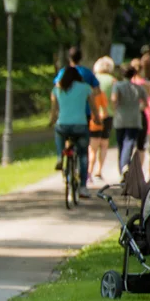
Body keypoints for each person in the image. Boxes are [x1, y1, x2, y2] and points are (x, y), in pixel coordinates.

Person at [52, 65, 94, 196]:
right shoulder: (86, 88)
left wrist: (52, 119)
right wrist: (97, 119)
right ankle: (82, 187)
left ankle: (60, 156)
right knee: (83, 154)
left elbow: (53, 110)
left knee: (58, 132)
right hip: (80, 125)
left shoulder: (57, 89)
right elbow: (93, 108)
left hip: (63, 125)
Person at [110, 64, 148, 183]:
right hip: (134, 119)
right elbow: (145, 103)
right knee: (129, 142)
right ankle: (125, 166)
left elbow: (114, 99)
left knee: (121, 145)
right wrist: (138, 107)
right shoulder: (138, 88)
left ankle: (122, 168)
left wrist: (115, 108)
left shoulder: (117, 86)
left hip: (120, 119)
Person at [89, 56, 116, 181]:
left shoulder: (92, 80)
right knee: (104, 144)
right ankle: (99, 170)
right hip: (108, 114)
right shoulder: (113, 80)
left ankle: (89, 170)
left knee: (93, 146)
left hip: (94, 116)